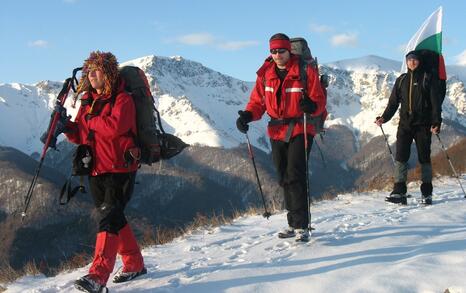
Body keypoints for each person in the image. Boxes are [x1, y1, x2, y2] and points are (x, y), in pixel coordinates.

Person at [45, 51, 147, 293]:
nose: (91, 75)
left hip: (121, 168)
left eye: (96, 70)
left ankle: (98, 276)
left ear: (109, 73)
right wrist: (66, 127)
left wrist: (86, 123)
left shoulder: (123, 99)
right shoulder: (88, 101)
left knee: (108, 217)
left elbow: (114, 127)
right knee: (113, 216)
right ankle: (134, 263)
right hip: (95, 168)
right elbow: (82, 135)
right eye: (88, 71)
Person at [236, 33, 326, 242]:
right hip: (277, 130)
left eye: (281, 51)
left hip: (301, 128)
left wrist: (312, 107)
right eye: (273, 51)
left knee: (296, 174)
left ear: (289, 50)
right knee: (284, 177)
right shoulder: (266, 73)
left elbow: (319, 99)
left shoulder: (305, 70)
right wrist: (248, 116)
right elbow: (258, 102)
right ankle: (292, 224)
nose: (277, 55)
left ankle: (303, 225)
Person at [375, 50, 442, 205]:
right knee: (401, 157)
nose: (412, 62)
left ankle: (427, 193)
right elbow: (393, 103)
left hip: (423, 125)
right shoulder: (401, 80)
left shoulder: (427, 78)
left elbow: (435, 103)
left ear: (419, 62)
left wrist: (436, 122)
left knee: (424, 157)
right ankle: (399, 191)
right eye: (409, 60)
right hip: (405, 124)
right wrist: (384, 118)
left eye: (415, 60)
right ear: (406, 62)